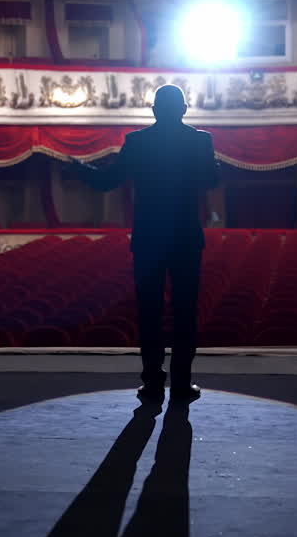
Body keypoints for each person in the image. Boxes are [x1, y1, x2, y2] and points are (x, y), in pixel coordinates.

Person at [72, 85, 219, 403]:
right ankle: (182, 384)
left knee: (149, 312)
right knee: (185, 312)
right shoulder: (200, 140)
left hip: (149, 237)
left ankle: (152, 382)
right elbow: (210, 181)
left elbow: (108, 181)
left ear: (154, 109)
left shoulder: (138, 142)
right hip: (185, 238)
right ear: (184, 109)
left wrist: (79, 170)